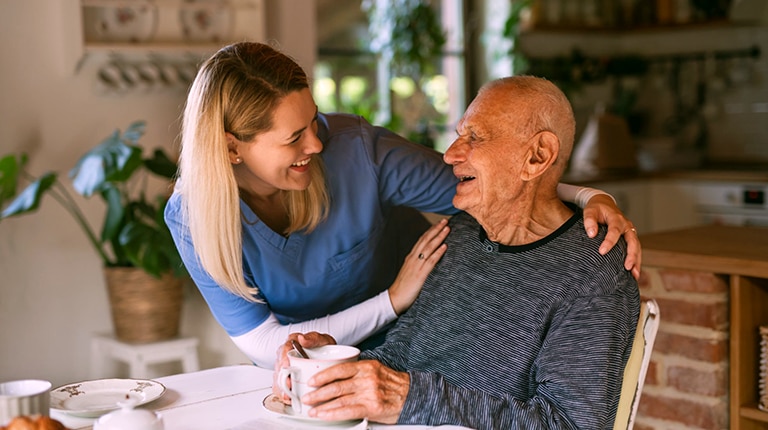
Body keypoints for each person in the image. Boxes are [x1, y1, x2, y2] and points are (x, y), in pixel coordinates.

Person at [164, 41, 642, 369]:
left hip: (415, 351)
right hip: (310, 367)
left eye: (314, 119)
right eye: (294, 137)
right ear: (231, 148)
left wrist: (589, 196)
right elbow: (268, 346)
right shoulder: (193, 216)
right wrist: (392, 298)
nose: (316, 141)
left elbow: (493, 183)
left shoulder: (355, 152)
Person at [278, 76, 640, 429]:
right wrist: (331, 364)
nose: (450, 155)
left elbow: (569, 422)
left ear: (537, 156)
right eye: (458, 135)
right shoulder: (459, 234)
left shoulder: (591, 270)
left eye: (475, 138)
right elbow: (399, 360)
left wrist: (410, 399)